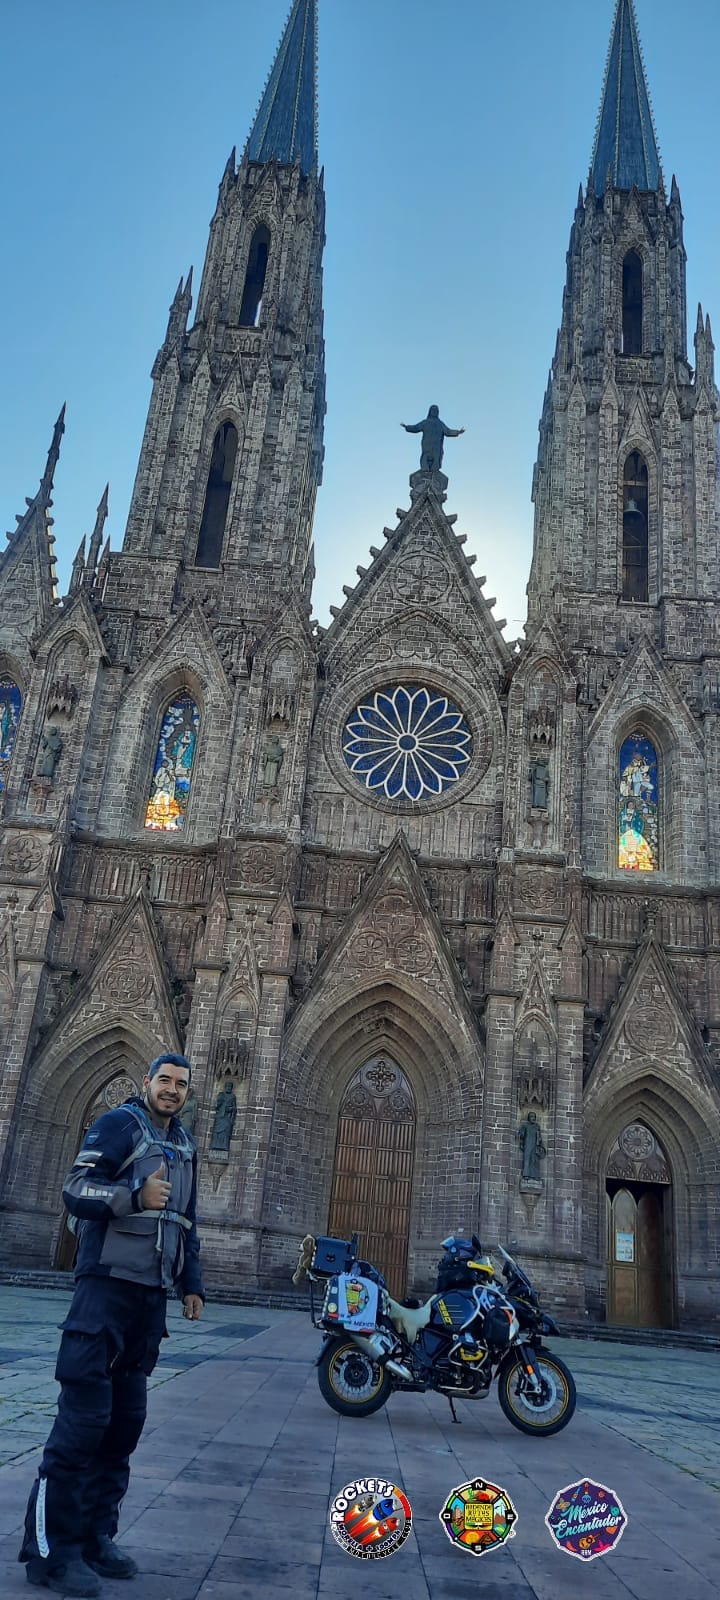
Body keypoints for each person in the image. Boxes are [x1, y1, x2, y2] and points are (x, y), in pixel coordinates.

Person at [19, 1052, 205, 1597]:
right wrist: (132, 1196)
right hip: (102, 1293)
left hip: (149, 1301)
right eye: (164, 1081)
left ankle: (97, 1536)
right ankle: (52, 1554)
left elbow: (185, 1220)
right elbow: (76, 1189)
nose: (172, 1091)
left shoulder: (184, 1143)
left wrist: (191, 1281)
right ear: (146, 1082)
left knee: (124, 1425)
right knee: (83, 1424)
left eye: (180, 1085)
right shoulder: (118, 1124)